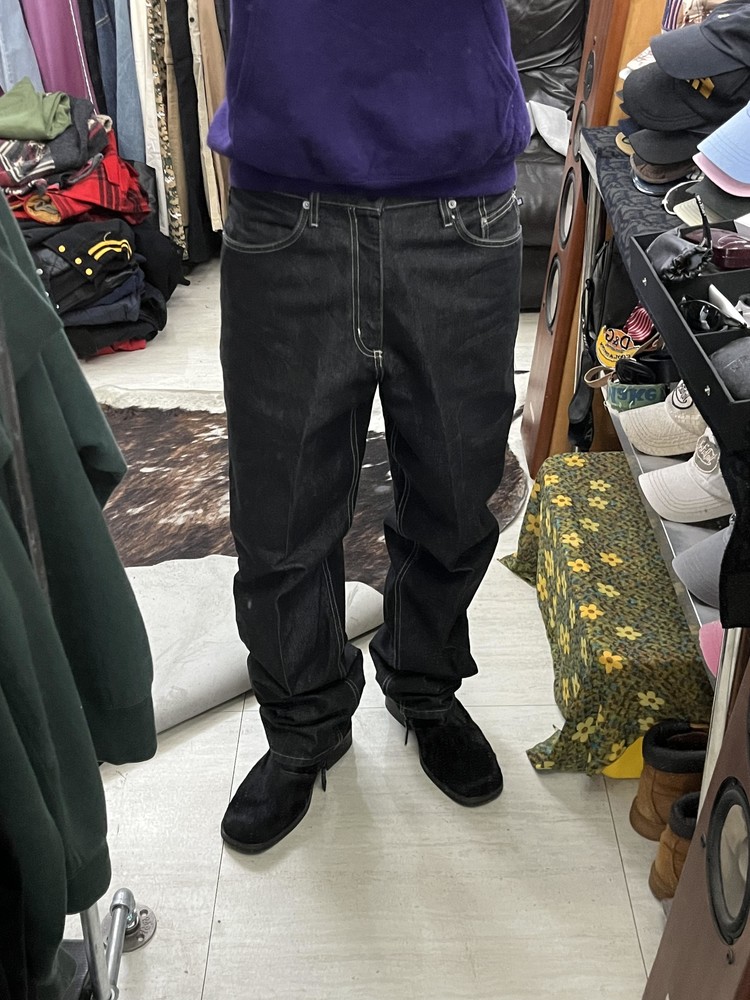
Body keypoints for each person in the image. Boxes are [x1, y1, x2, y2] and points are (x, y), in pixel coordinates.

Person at [208, 0, 531, 854]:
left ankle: (423, 685)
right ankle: (304, 726)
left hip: (461, 203)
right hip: (287, 201)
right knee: (279, 518)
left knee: (458, 496)